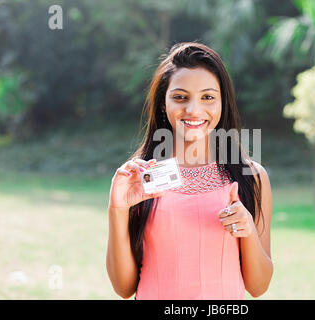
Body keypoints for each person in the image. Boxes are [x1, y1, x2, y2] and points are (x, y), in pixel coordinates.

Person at [106, 42, 273, 300]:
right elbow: (124, 288)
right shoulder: (140, 180)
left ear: (222, 103)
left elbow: (258, 286)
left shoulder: (251, 177)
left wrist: (247, 229)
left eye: (207, 97)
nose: (194, 110)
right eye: (180, 97)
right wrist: (117, 209)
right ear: (163, 103)